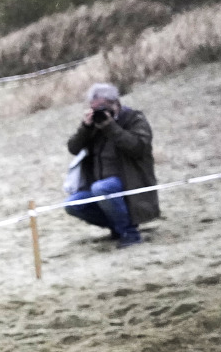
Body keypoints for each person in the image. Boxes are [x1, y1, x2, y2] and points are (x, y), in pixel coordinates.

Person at [64, 83, 159, 248]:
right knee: (73, 204)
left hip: (130, 182)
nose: (99, 112)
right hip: (98, 184)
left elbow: (138, 147)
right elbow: (73, 148)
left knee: (102, 188)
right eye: (94, 108)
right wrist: (86, 128)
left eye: (102, 107)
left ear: (116, 103)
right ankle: (117, 227)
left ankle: (130, 233)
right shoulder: (93, 125)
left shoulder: (133, 119)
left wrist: (111, 127)